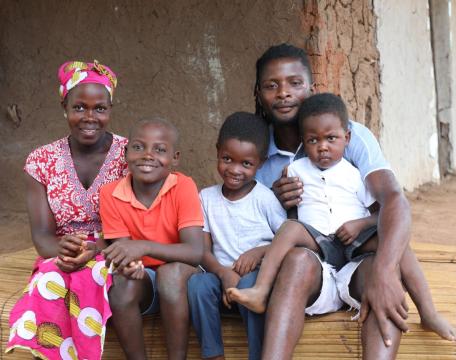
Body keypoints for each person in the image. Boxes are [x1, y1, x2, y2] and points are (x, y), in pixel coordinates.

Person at [228, 93, 456, 343]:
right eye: (313, 140)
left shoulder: (355, 174)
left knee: (399, 246)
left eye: (331, 138)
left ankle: (428, 312)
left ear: (346, 138)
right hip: (318, 243)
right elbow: (293, 215)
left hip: (354, 239)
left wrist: (360, 224)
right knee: (289, 228)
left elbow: (380, 213)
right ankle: (261, 290)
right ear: (304, 143)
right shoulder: (295, 170)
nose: (323, 146)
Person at [249, 43, 413, 359]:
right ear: (258, 93)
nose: (284, 93)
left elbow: (394, 201)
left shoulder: (350, 135)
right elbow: (251, 223)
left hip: (356, 260)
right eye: (272, 85)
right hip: (308, 269)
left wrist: (384, 269)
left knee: (385, 273)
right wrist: (276, 201)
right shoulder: (254, 151)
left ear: (312, 88)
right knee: (297, 260)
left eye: (295, 83)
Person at [7, 60, 126, 360]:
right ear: (64, 106)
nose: (90, 117)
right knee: (50, 280)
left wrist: (97, 249)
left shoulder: (129, 155)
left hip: (114, 248)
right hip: (60, 252)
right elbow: (43, 237)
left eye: (100, 108)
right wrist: (63, 250)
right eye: (79, 107)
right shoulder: (41, 161)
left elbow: (139, 222)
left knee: (94, 276)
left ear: (111, 108)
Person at [99, 117, 204, 360]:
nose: (148, 155)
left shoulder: (183, 186)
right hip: (145, 278)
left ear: (175, 158)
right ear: (125, 153)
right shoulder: (110, 194)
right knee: (120, 286)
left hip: (182, 276)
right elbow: (124, 251)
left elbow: (194, 252)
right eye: (138, 147)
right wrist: (131, 264)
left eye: (160, 149)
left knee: (169, 274)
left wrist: (143, 246)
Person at [187, 112, 286, 360]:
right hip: (220, 278)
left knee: (248, 284)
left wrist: (259, 252)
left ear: (260, 163)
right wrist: (223, 274)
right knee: (197, 284)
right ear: (218, 151)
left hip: (255, 281)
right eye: (227, 159)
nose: (234, 170)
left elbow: (286, 241)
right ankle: (213, 354)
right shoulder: (206, 198)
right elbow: (203, 251)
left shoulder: (265, 199)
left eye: (246, 164)